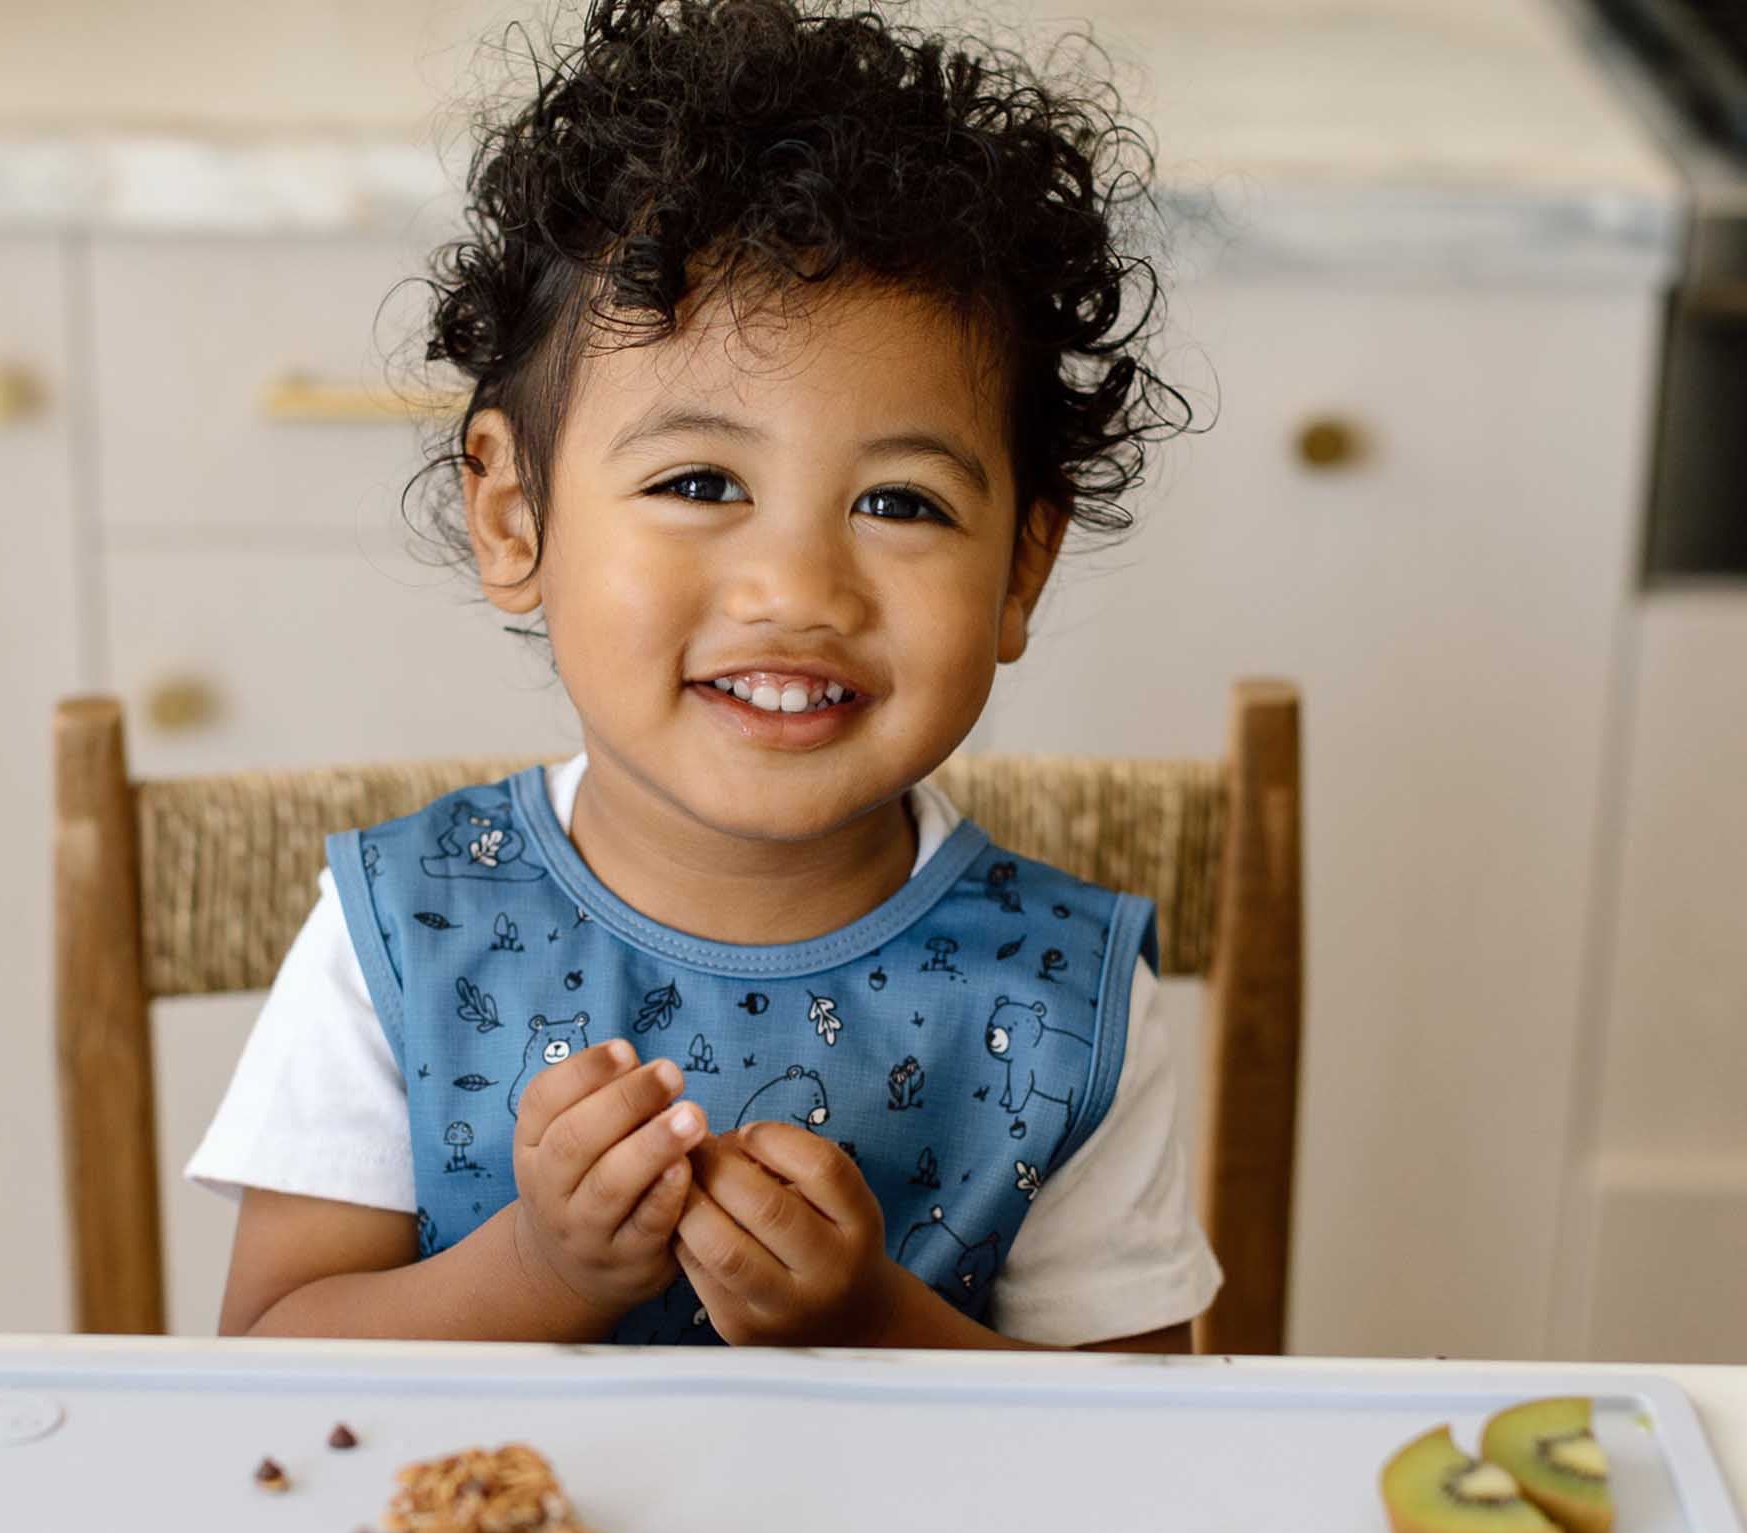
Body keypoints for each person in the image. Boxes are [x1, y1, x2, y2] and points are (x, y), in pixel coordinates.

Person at [187, 0, 1220, 1351]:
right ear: (515, 519)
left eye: (900, 504)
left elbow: (1144, 1454)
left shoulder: (1072, 1005)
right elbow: (262, 1363)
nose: (797, 590)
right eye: (697, 482)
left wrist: (870, 1324)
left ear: (1022, 567)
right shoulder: (402, 932)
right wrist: (541, 1272)